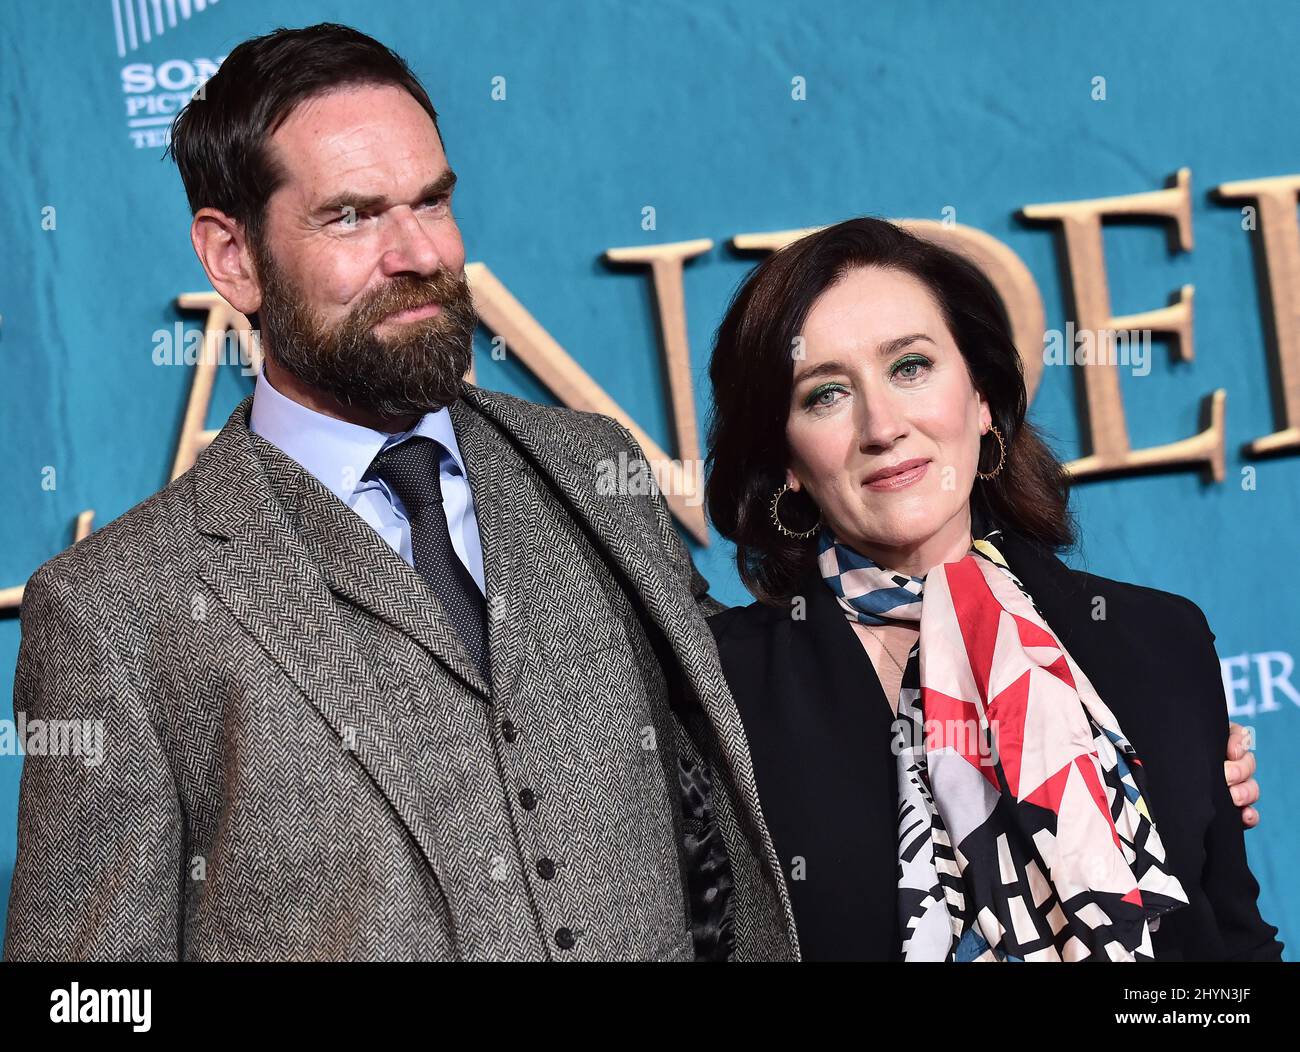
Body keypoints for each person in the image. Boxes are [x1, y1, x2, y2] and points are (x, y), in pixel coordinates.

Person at [3, 23, 793, 962]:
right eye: (352, 216)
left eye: (432, 202)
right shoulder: (112, 615)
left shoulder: (592, 469)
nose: (416, 252)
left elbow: (743, 760)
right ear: (231, 258)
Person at [704, 216, 1281, 961]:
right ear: (785, 458)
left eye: (910, 366)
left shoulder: (1157, 640)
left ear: (979, 397)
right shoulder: (719, 695)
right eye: (825, 395)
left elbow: (1234, 949)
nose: (883, 426)